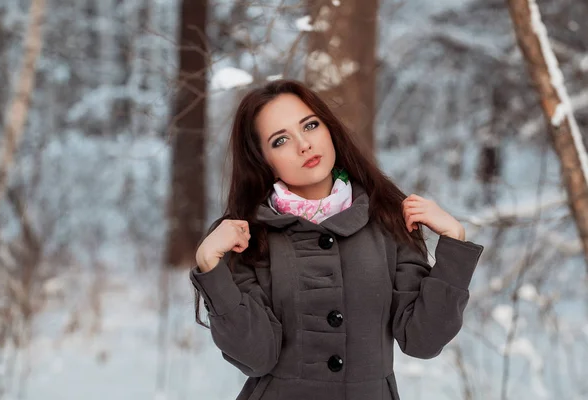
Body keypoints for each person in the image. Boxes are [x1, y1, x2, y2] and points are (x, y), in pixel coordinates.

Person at [190, 79, 484, 400]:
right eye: (280, 140)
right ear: (263, 161)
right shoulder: (248, 237)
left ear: (329, 129)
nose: (304, 144)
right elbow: (256, 357)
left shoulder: (386, 219)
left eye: (310, 125)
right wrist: (210, 268)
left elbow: (423, 340)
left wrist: (455, 243)